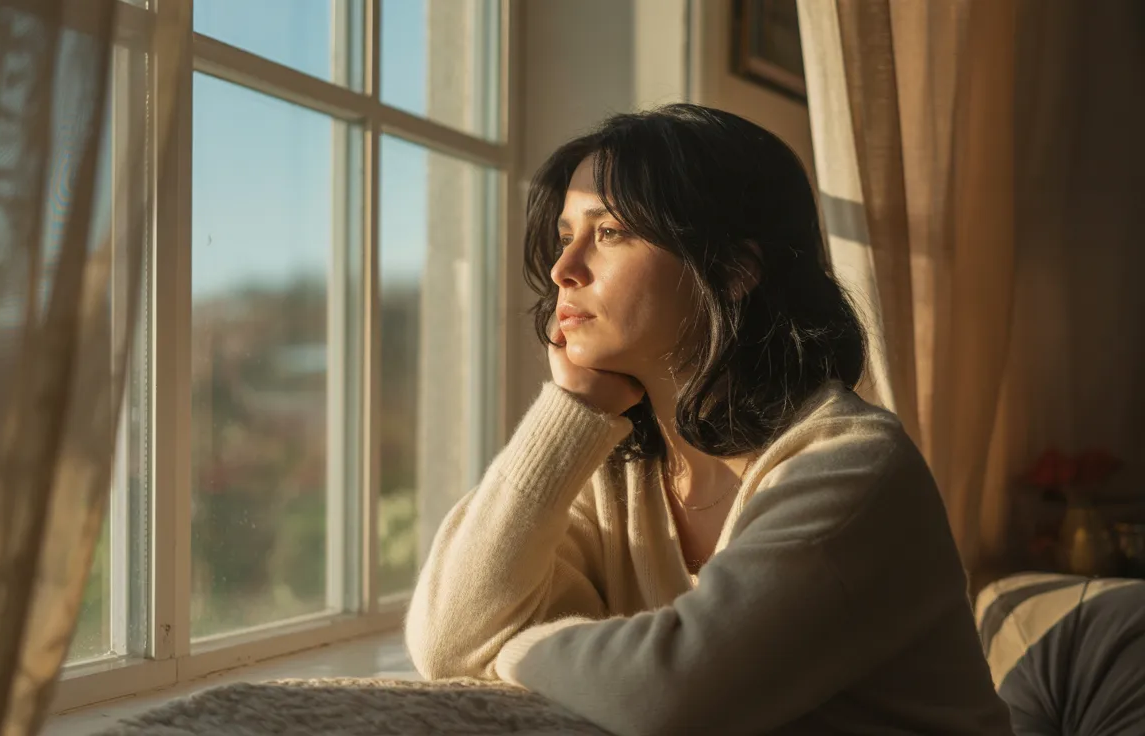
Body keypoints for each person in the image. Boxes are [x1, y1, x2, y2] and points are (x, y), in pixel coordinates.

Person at [404, 105, 1013, 735]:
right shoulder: (614, 473)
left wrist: (512, 646)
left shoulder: (851, 466)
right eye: (566, 235)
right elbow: (448, 641)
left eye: (609, 232)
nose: (564, 269)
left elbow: (666, 696)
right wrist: (572, 410)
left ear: (732, 270)